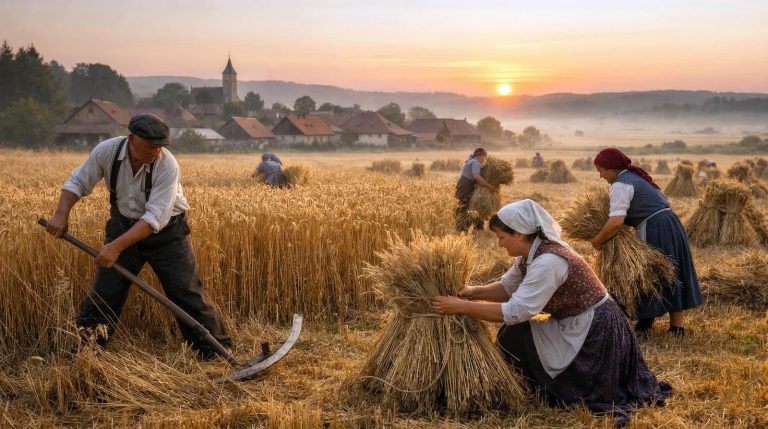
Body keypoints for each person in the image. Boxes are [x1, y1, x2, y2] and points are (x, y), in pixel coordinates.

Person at [431, 200, 671, 425]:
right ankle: (529, 384)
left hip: (595, 330)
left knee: (517, 330)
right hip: (577, 320)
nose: (499, 243)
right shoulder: (530, 254)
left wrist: (461, 307)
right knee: (514, 335)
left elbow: (517, 311)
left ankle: (553, 385)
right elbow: (507, 288)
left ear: (520, 234)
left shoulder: (549, 262)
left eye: (502, 237)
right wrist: (473, 292)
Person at [45, 113, 231, 359]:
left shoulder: (167, 165)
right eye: (151, 145)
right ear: (131, 138)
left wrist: (115, 248)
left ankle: (215, 353)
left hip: (167, 235)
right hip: (121, 227)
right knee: (105, 292)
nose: (156, 151)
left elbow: (154, 219)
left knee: (186, 291)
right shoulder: (107, 151)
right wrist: (60, 214)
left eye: (160, 146)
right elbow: (77, 182)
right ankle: (84, 354)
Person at [590, 148, 702, 337]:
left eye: (601, 170)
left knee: (651, 274)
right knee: (672, 272)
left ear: (612, 168)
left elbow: (616, 221)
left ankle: (645, 324)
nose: (601, 176)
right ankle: (676, 328)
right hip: (671, 223)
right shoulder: (635, 176)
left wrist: (598, 240)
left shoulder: (620, 184)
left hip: (655, 228)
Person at [454, 147, 495, 231]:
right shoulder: (475, 163)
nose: (484, 160)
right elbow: (477, 177)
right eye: (484, 157)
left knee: (463, 205)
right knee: (463, 205)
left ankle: (463, 227)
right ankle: (461, 228)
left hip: (463, 184)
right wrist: (489, 186)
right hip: (466, 185)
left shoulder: (470, 161)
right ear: (480, 155)